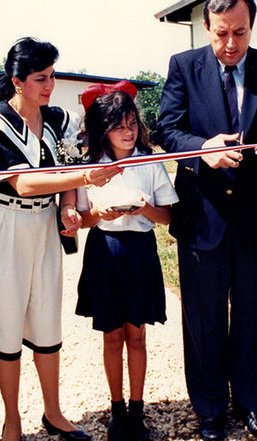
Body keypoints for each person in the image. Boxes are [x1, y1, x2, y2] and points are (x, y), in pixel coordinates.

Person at [157, 0, 257, 441]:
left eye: (239, 33)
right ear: (207, 27)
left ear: (251, 26)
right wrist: (203, 150)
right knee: (203, 316)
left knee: (254, 312)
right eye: (221, 34)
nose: (230, 44)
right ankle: (210, 409)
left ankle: (255, 401)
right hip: (203, 216)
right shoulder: (184, 67)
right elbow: (167, 128)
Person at [0, 37, 121, 441]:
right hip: (3, 227)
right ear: (16, 81)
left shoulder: (58, 119)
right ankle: (12, 418)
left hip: (44, 227)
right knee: (7, 323)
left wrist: (67, 203)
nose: (49, 85)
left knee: (46, 318)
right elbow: (24, 183)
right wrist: (81, 179)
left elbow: (63, 167)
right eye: (40, 78)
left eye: (52, 76)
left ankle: (54, 411)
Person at [73, 82, 179, 441]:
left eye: (132, 123)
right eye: (119, 126)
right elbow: (82, 219)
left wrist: (145, 207)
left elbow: (166, 217)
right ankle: (116, 409)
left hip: (139, 253)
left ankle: (137, 409)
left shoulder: (149, 162)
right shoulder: (90, 168)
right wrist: (99, 212)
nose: (128, 132)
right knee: (112, 335)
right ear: (104, 130)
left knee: (136, 334)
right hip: (104, 251)